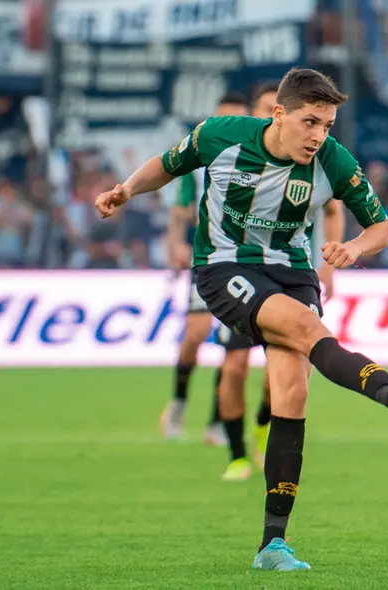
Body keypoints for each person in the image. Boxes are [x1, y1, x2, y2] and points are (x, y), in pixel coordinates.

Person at [95, 67, 388, 571]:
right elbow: (167, 166)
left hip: (294, 273)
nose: (318, 135)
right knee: (306, 330)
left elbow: (382, 226)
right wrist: (126, 190)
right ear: (278, 114)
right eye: (310, 122)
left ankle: (272, 545)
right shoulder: (220, 136)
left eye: (327, 125)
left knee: (292, 395)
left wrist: (354, 247)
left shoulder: (333, 161)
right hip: (225, 267)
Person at [216, 82, 346, 482]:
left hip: (289, 275)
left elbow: (336, 207)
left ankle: (262, 428)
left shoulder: (312, 159)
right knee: (234, 366)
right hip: (237, 274)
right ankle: (237, 455)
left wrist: (329, 263)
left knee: (285, 381)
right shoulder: (234, 154)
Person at [160, 91, 250, 446]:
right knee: (195, 336)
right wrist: (176, 243)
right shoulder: (199, 154)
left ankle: (217, 421)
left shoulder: (262, 157)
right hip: (207, 258)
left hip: (245, 261)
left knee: (232, 348)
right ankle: (179, 403)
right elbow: (181, 208)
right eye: (222, 118)